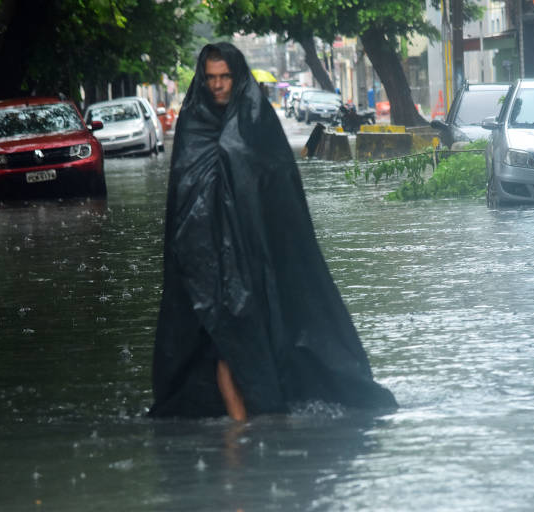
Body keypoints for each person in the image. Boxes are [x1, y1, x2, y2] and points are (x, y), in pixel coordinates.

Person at [148, 43, 397, 420]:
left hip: (256, 254)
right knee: (223, 342)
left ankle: (255, 426)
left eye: (225, 77)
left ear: (237, 77)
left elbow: (278, 190)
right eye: (211, 78)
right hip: (207, 258)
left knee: (259, 335)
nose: (217, 85)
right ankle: (241, 429)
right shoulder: (192, 124)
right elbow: (184, 194)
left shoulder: (257, 122)